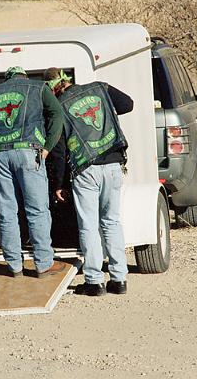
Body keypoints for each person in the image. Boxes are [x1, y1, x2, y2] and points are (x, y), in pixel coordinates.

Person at [44, 67, 133, 296]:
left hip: (86, 169)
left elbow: (59, 148)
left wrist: (59, 183)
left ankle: (94, 281)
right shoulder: (100, 88)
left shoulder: (59, 106)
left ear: (53, 87)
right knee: (112, 221)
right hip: (113, 165)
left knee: (89, 225)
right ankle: (119, 279)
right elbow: (128, 104)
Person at [0, 66, 66, 278]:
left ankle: (14, 266)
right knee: (37, 209)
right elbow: (57, 114)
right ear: (25, 76)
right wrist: (48, 147)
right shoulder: (39, 88)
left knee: (7, 211)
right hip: (28, 151)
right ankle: (43, 264)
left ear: (7, 79)